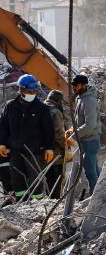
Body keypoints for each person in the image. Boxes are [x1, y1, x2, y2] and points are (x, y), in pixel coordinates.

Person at [0, 74, 54, 202]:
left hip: (35, 152)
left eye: (34, 91)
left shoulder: (42, 109)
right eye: (29, 91)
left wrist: (49, 148)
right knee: (18, 180)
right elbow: (3, 126)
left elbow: (48, 130)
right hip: (15, 151)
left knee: (36, 181)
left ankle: (37, 204)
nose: (32, 93)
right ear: (21, 90)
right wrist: (1, 143)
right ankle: (21, 203)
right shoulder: (10, 107)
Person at [67, 75, 101, 195]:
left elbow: (90, 125)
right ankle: (99, 193)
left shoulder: (89, 101)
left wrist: (73, 137)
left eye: (76, 86)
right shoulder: (80, 98)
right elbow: (79, 120)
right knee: (94, 169)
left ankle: (96, 198)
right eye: (73, 86)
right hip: (85, 140)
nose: (74, 88)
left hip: (90, 141)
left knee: (91, 172)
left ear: (84, 85)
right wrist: (72, 129)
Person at [44, 90, 69, 199]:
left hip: (42, 151)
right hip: (56, 153)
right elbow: (59, 134)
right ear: (58, 100)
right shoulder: (56, 112)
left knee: (47, 178)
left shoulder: (40, 108)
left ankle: (48, 199)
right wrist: (66, 148)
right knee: (56, 179)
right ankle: (54, 201)